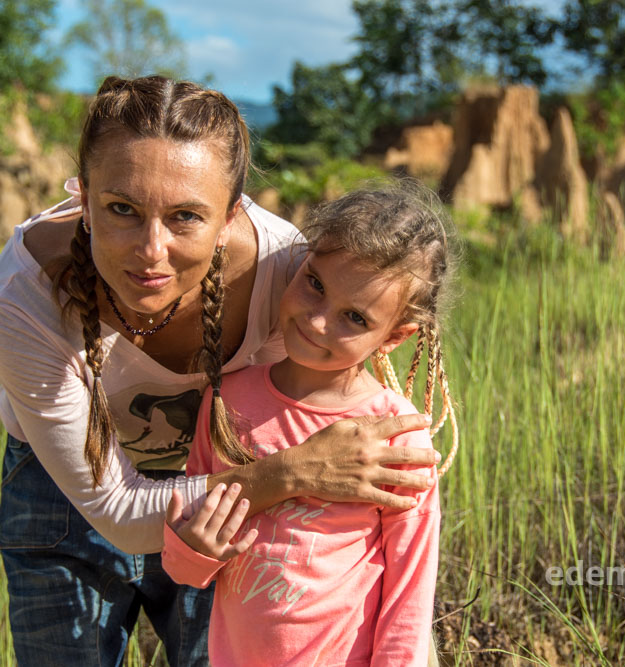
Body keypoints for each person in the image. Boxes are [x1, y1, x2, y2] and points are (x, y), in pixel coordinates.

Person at [0, 76, 438, 666]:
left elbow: (283, 418)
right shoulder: (19, 298)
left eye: (186, 216)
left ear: (230, 215)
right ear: (83, 196)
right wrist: (293, 472)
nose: (151, 250)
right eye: (122, 209)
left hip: (230, 476)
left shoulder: (284, 272)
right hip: (70, 490)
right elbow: (117, 508)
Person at [161, 183, 458, 666]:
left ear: (395, 336)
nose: (318, 321)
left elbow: (410, 592)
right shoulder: (226, 397)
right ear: (300, 262)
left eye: (355, 318)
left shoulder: (396, 435)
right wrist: (195, 550)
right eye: (315, 283)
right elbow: (183, 562)